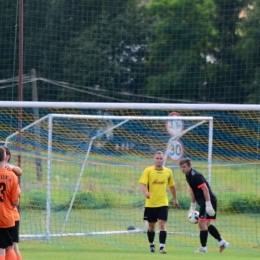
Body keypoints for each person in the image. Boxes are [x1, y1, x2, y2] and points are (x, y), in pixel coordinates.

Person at [179, 158, 228, 253]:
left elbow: (205, 189)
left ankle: (203, 248)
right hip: (205, 202)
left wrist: (208, 204)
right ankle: (222, 242)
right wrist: (192, 205)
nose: (182, 169)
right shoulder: (188, 176)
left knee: (202, 224)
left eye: (184, 167)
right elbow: (192, 190)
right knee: (207, 225)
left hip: (208, 201)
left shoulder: (196, 176)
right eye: (181, 167)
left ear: (190, 166)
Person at [139, 151, 179, 254]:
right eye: (157, 158)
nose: (159, 160)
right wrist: (146, 192)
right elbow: (143, 184)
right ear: (154, 159)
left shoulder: (168, 172)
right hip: (150, 204)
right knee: (151, 227)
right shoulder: (148, 171)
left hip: (163, 203)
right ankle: (152, 244)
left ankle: (162, 247)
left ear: (164, 160)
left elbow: (172, 186)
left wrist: (175, 199)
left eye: (161, 158)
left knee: (162, 224)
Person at [2, 146, 23, 260]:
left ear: (7, 157)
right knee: (11, 247)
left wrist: (12, 167)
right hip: (10, 215)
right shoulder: (10, 174)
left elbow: (20, 171)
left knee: (10, 247)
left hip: (9, 215)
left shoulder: (10, 172)